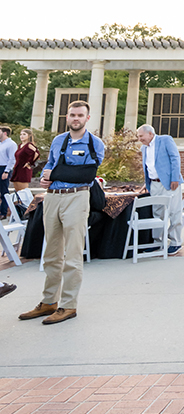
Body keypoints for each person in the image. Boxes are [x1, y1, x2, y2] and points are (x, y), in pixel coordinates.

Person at [18, 100, 104, 325]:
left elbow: (85, 174)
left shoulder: (95, 144)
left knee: (73, 255)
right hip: (53, 198)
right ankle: (49, 302)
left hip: (77, 197)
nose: (76, 118)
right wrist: (48, 175)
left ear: (88, 118)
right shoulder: (59, 141)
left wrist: (56, 173)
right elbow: (51, 168)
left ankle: (68, 305)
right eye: (72, 115)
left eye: (80, 115)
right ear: (66, 117)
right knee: (51, 254)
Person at [137, 125, 184, 256]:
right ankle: (157, 242)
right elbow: (148, 166)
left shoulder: (165, 140)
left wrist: (175, 178)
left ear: (150, 134)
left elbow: (175, 158)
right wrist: (147, 183)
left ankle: (175, 242)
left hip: (170, 183)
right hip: (154, 184)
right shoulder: (144, 148)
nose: (139, 139)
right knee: (157, 213)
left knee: (174, 212)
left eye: (141, 136)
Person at [0, 126, 16, 218]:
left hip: (4, 168)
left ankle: (3, 213)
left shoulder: (11, 144)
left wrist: (6, 171)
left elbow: (12, 159)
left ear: (4, 133)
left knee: (4, 191)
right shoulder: (1, 143)